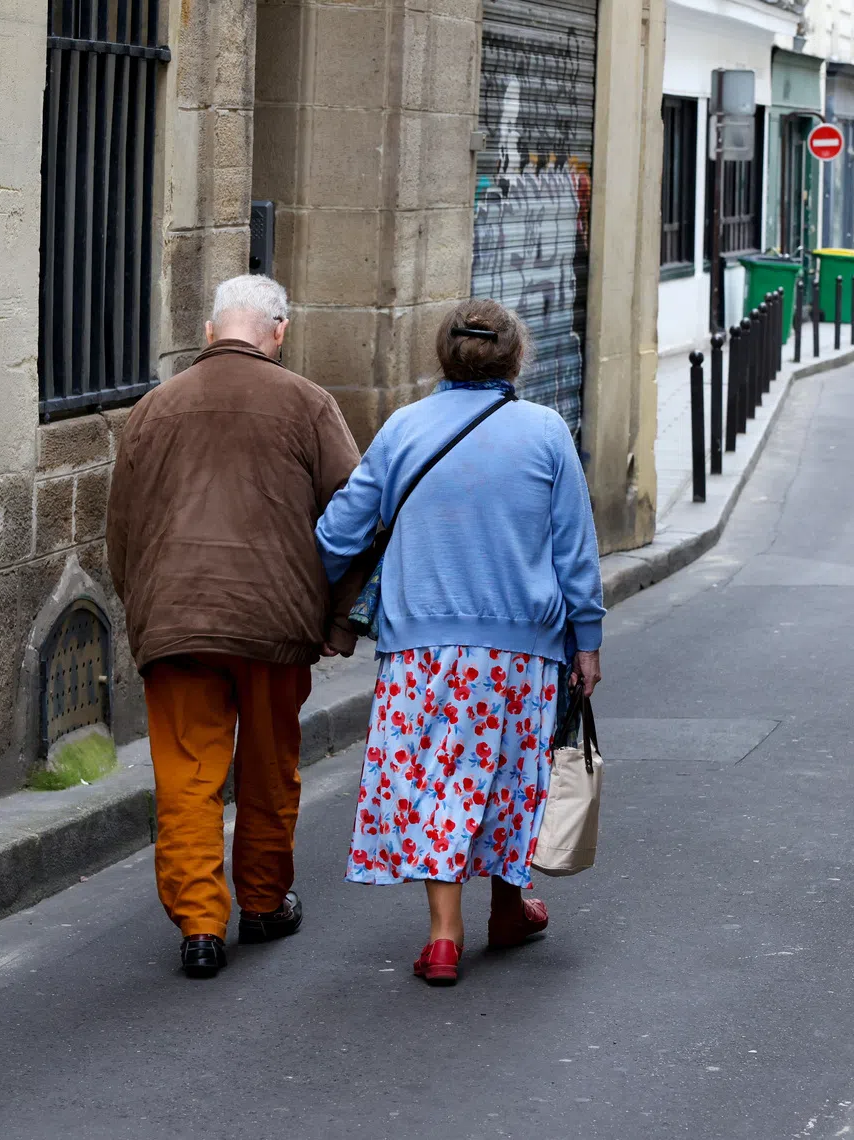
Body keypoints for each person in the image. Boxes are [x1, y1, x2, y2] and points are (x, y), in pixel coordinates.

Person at [314, 298, 605, 986]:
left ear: (443, 356)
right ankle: (508, 909)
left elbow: (338, 534)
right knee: (511, 779)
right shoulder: (545, 432)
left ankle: (444, 938)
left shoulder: (404, 429)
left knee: (435, 783)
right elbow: (575, 549)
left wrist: (321, 597)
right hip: (523, 649)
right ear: (516, 358)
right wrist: (586, 639)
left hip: (420, 651)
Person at [107, 274, 361, 979]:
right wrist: (338, 619)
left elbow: (122, 527)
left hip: (176, 618)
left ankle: (198, 926)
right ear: (277, 333)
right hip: (275, 621)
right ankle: (261, 902)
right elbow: (354, 512)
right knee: (267, 769)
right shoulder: (309, 404)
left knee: (187, 776)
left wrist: (143, 613)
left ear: (213, 331)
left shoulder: (155, 408)